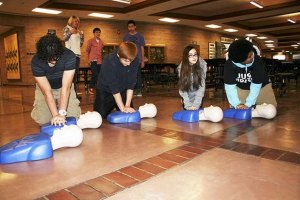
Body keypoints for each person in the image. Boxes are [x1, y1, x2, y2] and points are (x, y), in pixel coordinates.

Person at [31, 34, 81, 126]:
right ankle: (52, 110)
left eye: (56, 57)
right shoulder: (36, 61)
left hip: (64, 86)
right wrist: (55, 115)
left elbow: (66, 88)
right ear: (43, 55)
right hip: (46, 88)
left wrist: (61, 114)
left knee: (73, 117)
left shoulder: (69, 56)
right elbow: (47, 92)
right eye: (50, 59)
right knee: (43, 120)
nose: (53, 61)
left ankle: (61, 108)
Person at [224, 39, 277, 109]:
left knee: (271, 109)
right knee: (236, 108)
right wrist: (236, 104)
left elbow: (256, 85)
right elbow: (230, 87)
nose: (252, 56)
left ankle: (255, 109)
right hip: (242, 88)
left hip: (262, 87)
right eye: (249, 57)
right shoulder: (229, 64)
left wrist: (249, 103)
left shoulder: (257, 61)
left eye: (252, 53)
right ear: (240, 61)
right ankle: (254, 111)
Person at [93, 41, 139, 119]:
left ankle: (117, 104)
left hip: (122, 89)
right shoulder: (109, 60)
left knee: (129, 111)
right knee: (99, 116)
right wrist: (122, 108)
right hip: (105, 90)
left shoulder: (133, 59)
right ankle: (112, 106)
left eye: (131, 61)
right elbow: (113, 87)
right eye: (126, 61)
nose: (129, 64)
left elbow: (131, 84)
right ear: (119, 56)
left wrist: (127, 106)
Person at [177, 45, 207, 110]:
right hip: (187, 95)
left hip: (198, 96)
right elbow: (182, 89)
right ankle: (184, 102)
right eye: (190, 55)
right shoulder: (181, 68)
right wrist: (187, 104)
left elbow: (201, 88)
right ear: (186, 57)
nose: (194, 57)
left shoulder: (201, 66)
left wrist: (196, 105)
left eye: (195, 55)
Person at [63, 16, 84, 98]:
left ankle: (73, 94)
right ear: (71, 21)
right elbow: (64, 38)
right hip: (70, 55)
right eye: (75, 21)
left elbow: (81, 44)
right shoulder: (67, 28)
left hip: (77, 55)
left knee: (75, 76)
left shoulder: (78, 31)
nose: (77, 23)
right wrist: (70, 33)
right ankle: (70, 94)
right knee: (70, 76)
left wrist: (82, 37)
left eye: (78, 21)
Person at [123, 20, 145, 97]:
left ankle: (138, 91)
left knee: (137, 75)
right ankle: (130, 90)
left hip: (137, 59)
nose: (131, 28)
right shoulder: (126, 37)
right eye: (129, 27)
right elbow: (124, 48)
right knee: (129, 75)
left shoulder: (140, 36)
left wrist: (142, 60)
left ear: (135, 27)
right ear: (128, 28)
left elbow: (142, 48)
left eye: (132, 26)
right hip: (128, 60)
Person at [86, 27, 104, 95]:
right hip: (93, 60)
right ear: (94, 33)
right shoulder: (90, 41)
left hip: (99, 61)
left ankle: (98, 88)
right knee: (95, 74)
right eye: (96, 32)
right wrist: (88, 60)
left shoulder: (101, 42)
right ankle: (90, 87)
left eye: (99, 32)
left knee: (99, 75)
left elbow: (102, 51)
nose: (98, 33)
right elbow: (87, 51)